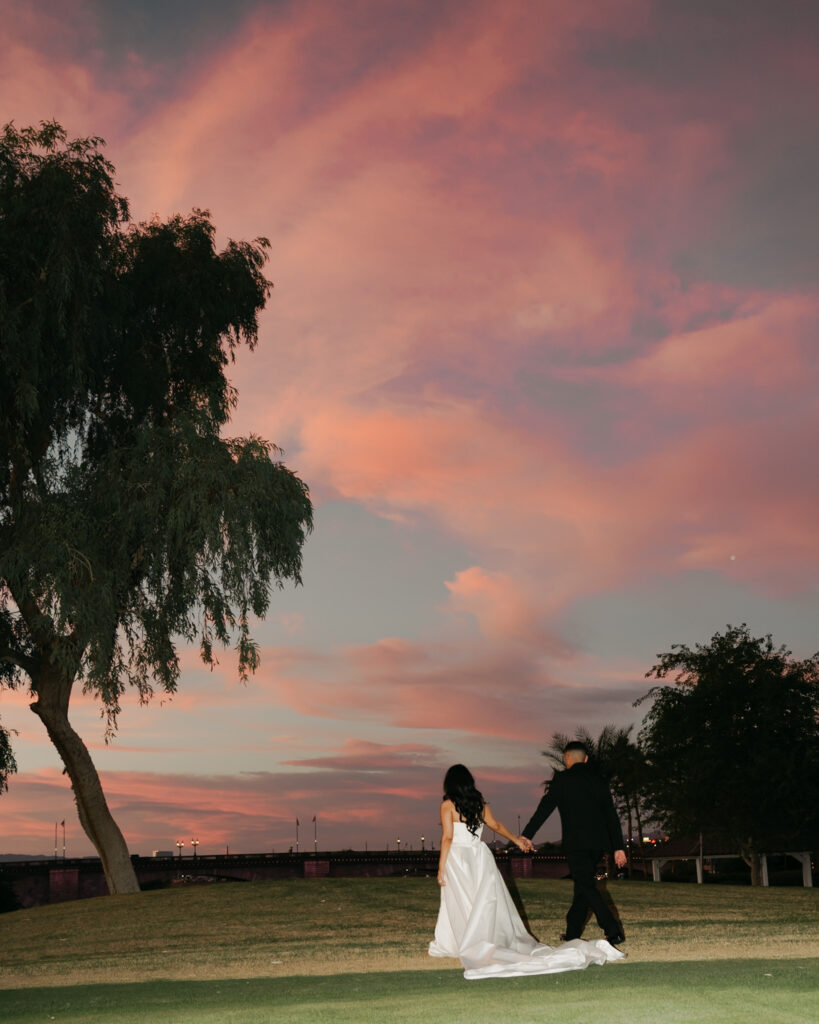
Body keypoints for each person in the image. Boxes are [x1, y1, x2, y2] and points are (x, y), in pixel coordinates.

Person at [429, 764, 625, 979]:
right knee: (481, 900)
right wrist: (516, 840)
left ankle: (463, 941)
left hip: (459, 857)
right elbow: (496, 825)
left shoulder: (447, 805)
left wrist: (441, 867)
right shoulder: (479, 804)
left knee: (460, 899)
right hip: (479, 855)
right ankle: (479, 939)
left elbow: (447, 837)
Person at [522, 741, 627, 946]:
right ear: (586, 758)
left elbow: (544, 809)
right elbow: (611, 815)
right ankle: (572, 933)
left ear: (566, 758)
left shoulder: (562, 779)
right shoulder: (599, 780)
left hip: (576, 844)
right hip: (598, 844)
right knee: (583, 886)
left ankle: (614, 931)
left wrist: (527, 835)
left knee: (586, 886)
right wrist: (618, 847)